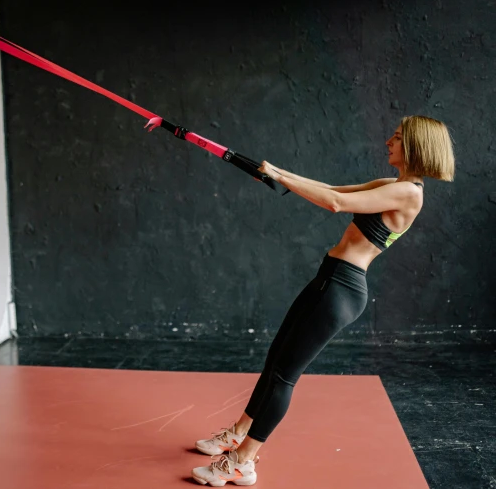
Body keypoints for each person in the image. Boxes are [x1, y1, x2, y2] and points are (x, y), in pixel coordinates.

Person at [191, 115, 455, 486]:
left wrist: (282, 178)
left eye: (396, 137)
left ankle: (243, 460)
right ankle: (237, 433)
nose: (387, 142)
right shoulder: (391, 184)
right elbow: (331, 187)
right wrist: (278, 172)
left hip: (341, 290)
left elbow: (334, 202)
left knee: (284, 375)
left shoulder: (409, 193)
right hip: (328, 280)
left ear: (416, 146)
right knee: (275, 361)